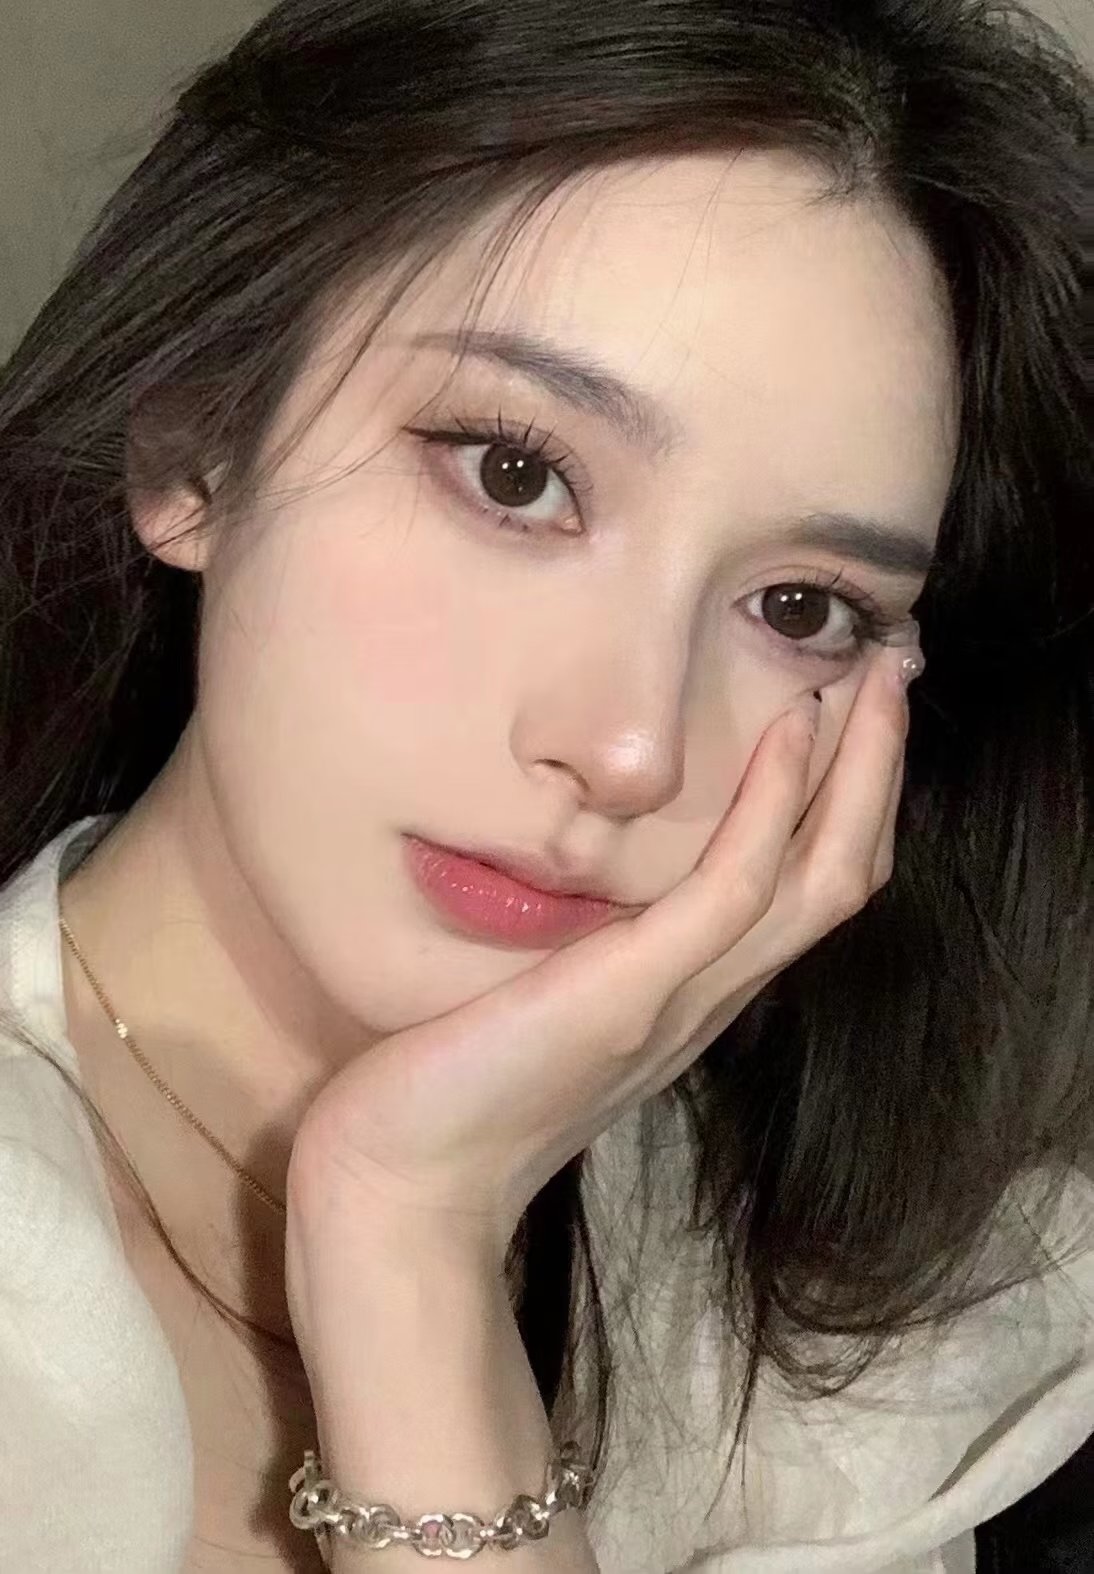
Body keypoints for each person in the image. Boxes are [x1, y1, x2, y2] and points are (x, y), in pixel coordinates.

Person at [0, 0, 1091, 1569]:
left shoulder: (804, 1347)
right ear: (195, 445)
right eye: (513, 475)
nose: (630, 746)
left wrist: (413, 1246)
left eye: (800, 607)